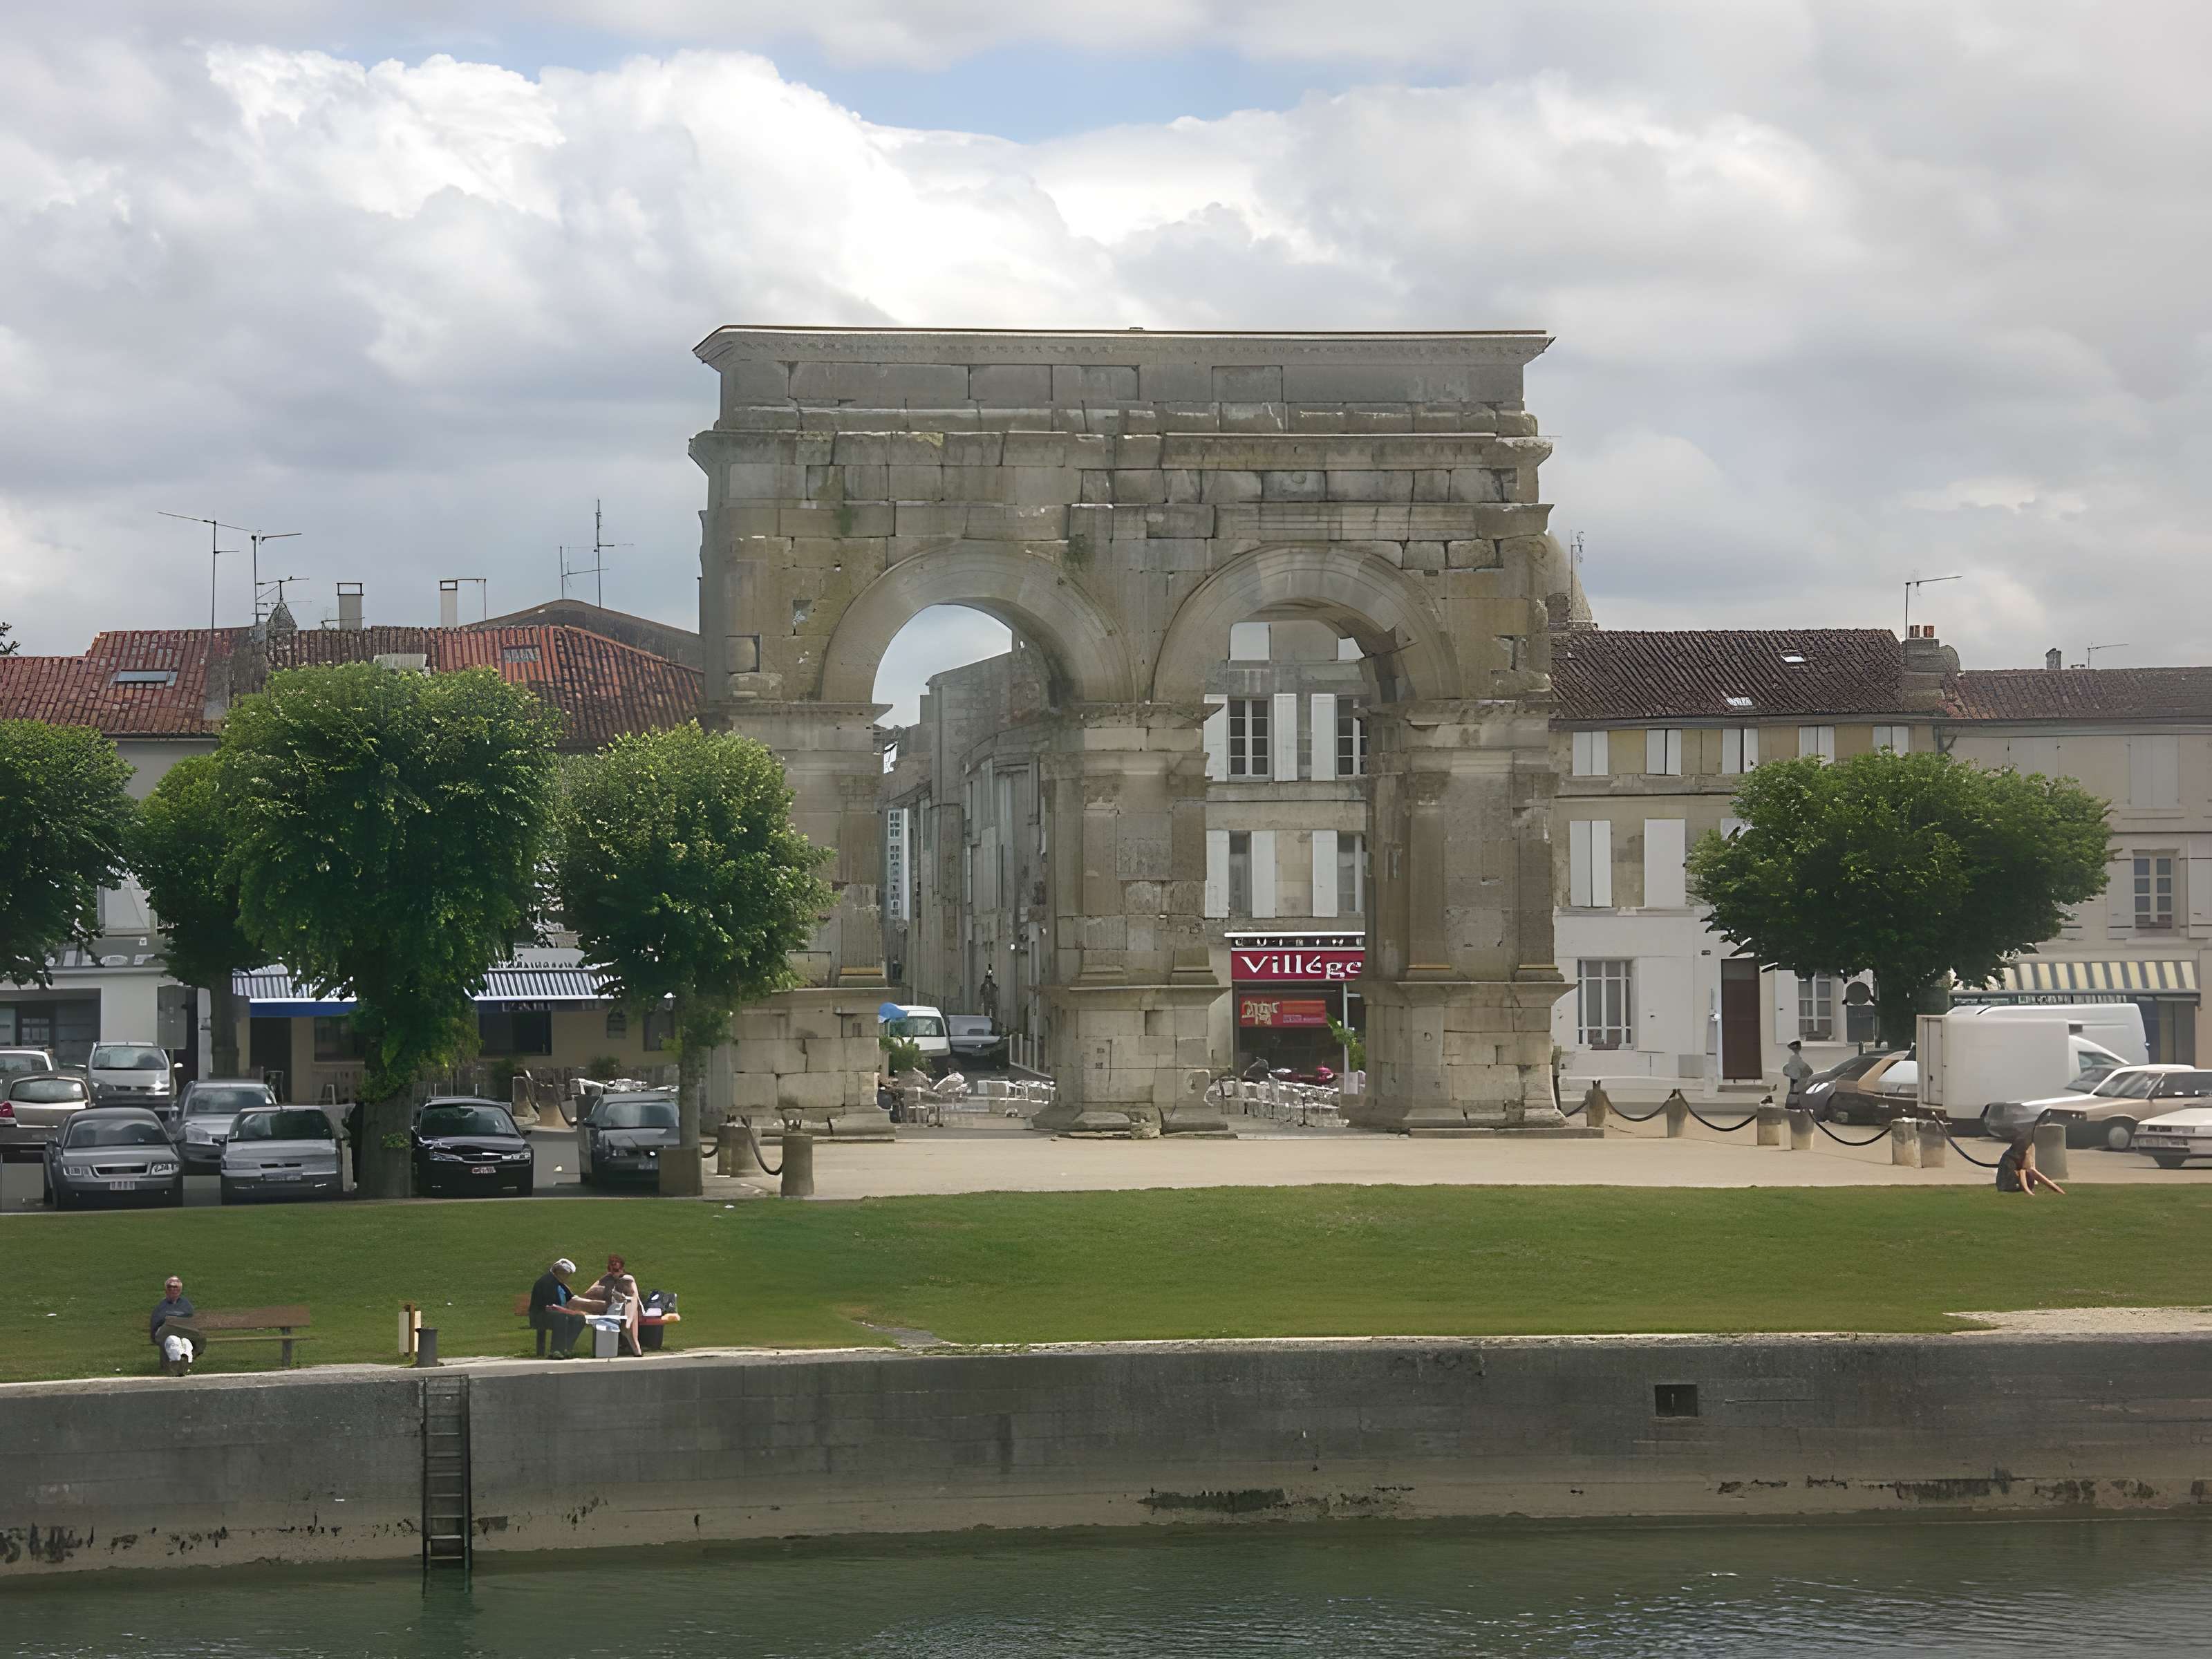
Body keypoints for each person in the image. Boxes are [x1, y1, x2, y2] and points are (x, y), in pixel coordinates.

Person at [568, 1255, 643, 1355]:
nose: (616, 1273)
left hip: (629, 1308)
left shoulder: (627, 1278)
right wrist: (585, 1297)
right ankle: (630, 1339)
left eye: (618, 1270)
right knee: (575, 1301)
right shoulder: (608, 1277)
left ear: (622, 1269)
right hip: (612, 1307)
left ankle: (634, 1342)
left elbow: (635, 1295)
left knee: (632, 1301)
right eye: (613, 1270)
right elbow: (591, 1290)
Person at [528, 1258, 585, 1358]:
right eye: (566, 1273)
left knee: (579, 1319)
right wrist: (571, 1312)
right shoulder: (546, 1282)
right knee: (560, 1317)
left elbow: (571, 1298)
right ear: (558, 1271)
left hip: (554, 1314)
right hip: (540, 1316)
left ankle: (567, 1348)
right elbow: (552, 1307)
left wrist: (583, 1308)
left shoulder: (560, 1284)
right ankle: (556, 1350)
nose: (567, 1276)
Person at [1997, 1129, 2065, 1197]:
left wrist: (2056, 1188)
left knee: (2030, 1174)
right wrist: (2028, 1191)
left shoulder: (2031, 1144)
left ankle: (2024, 1189)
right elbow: (2023, 1170)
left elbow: (2032, 1169)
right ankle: (2018, 1188)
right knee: (2028, 1174)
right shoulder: (2025, 1145)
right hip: (2008, 1178)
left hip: (2014, 1171)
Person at [151, 1275, 196, 1375]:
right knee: (174, 1341)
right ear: (166, 1290)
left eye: (176, 1287)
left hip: (183, 1334)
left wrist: (172, 1317)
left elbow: (190, 1318)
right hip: (166, 1334)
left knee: (186, 1343)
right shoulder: (161, 1306)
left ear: (180, 1290)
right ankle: (177, 1367)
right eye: (170, 1287)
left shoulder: (186, 1304)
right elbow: (157, 1322)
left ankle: (184, 1366)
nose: (173, 1289)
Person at [1781, 1040, 1815, 1107]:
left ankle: (1792, 1104)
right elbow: (1806, 1068)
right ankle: (1794, 1104)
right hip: (1797, 1078)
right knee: (1795, 1091)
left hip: (1796, 1078)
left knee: (1794, 1090)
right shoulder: (1795, 1058)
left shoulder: (1793, 1058)